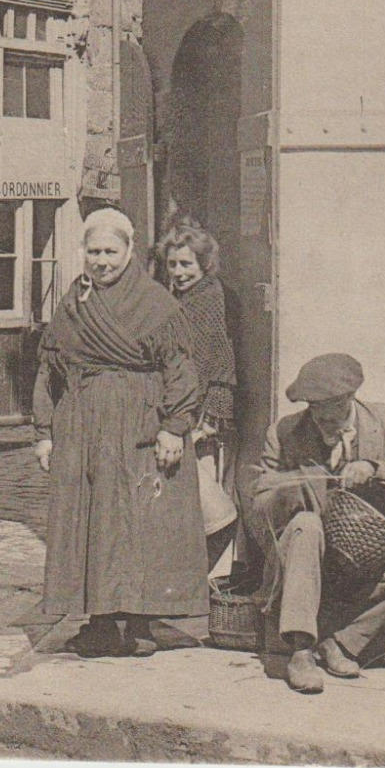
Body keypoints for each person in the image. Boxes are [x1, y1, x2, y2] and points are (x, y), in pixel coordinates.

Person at [33, 207, 206, 657]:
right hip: (83, 429)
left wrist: (174, 427)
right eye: (94, 252)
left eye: (111, 252)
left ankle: (144, 622)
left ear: (129, 252)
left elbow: (182, 370)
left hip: (140, 427)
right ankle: (101, 622)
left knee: (143, 520)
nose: (102, 261)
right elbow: (49, 370)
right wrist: (44, 432)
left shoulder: (156, 304)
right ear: (83, 253)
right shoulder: (72, 305)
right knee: (91, 520)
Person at [248, 353, 385, 694]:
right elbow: (258, 504)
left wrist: (375, 468)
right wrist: (289, 490)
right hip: (307, 556)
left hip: (369, 549)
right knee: (306, 524)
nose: (322, 425)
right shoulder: (286, 431)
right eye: (316, 416)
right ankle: (301, 651)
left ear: (349, 400)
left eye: (332, 419)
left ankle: (340, 644)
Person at [156, 220, 239, 567]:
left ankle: (204, 575)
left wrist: (198, 416)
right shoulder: (181, 297)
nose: (178, 271)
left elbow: (207, 361)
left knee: (203, 491)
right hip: (187, 405)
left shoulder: (206, 298)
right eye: (173, 264)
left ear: (204, 264)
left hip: (203, 408)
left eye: (186, 264)